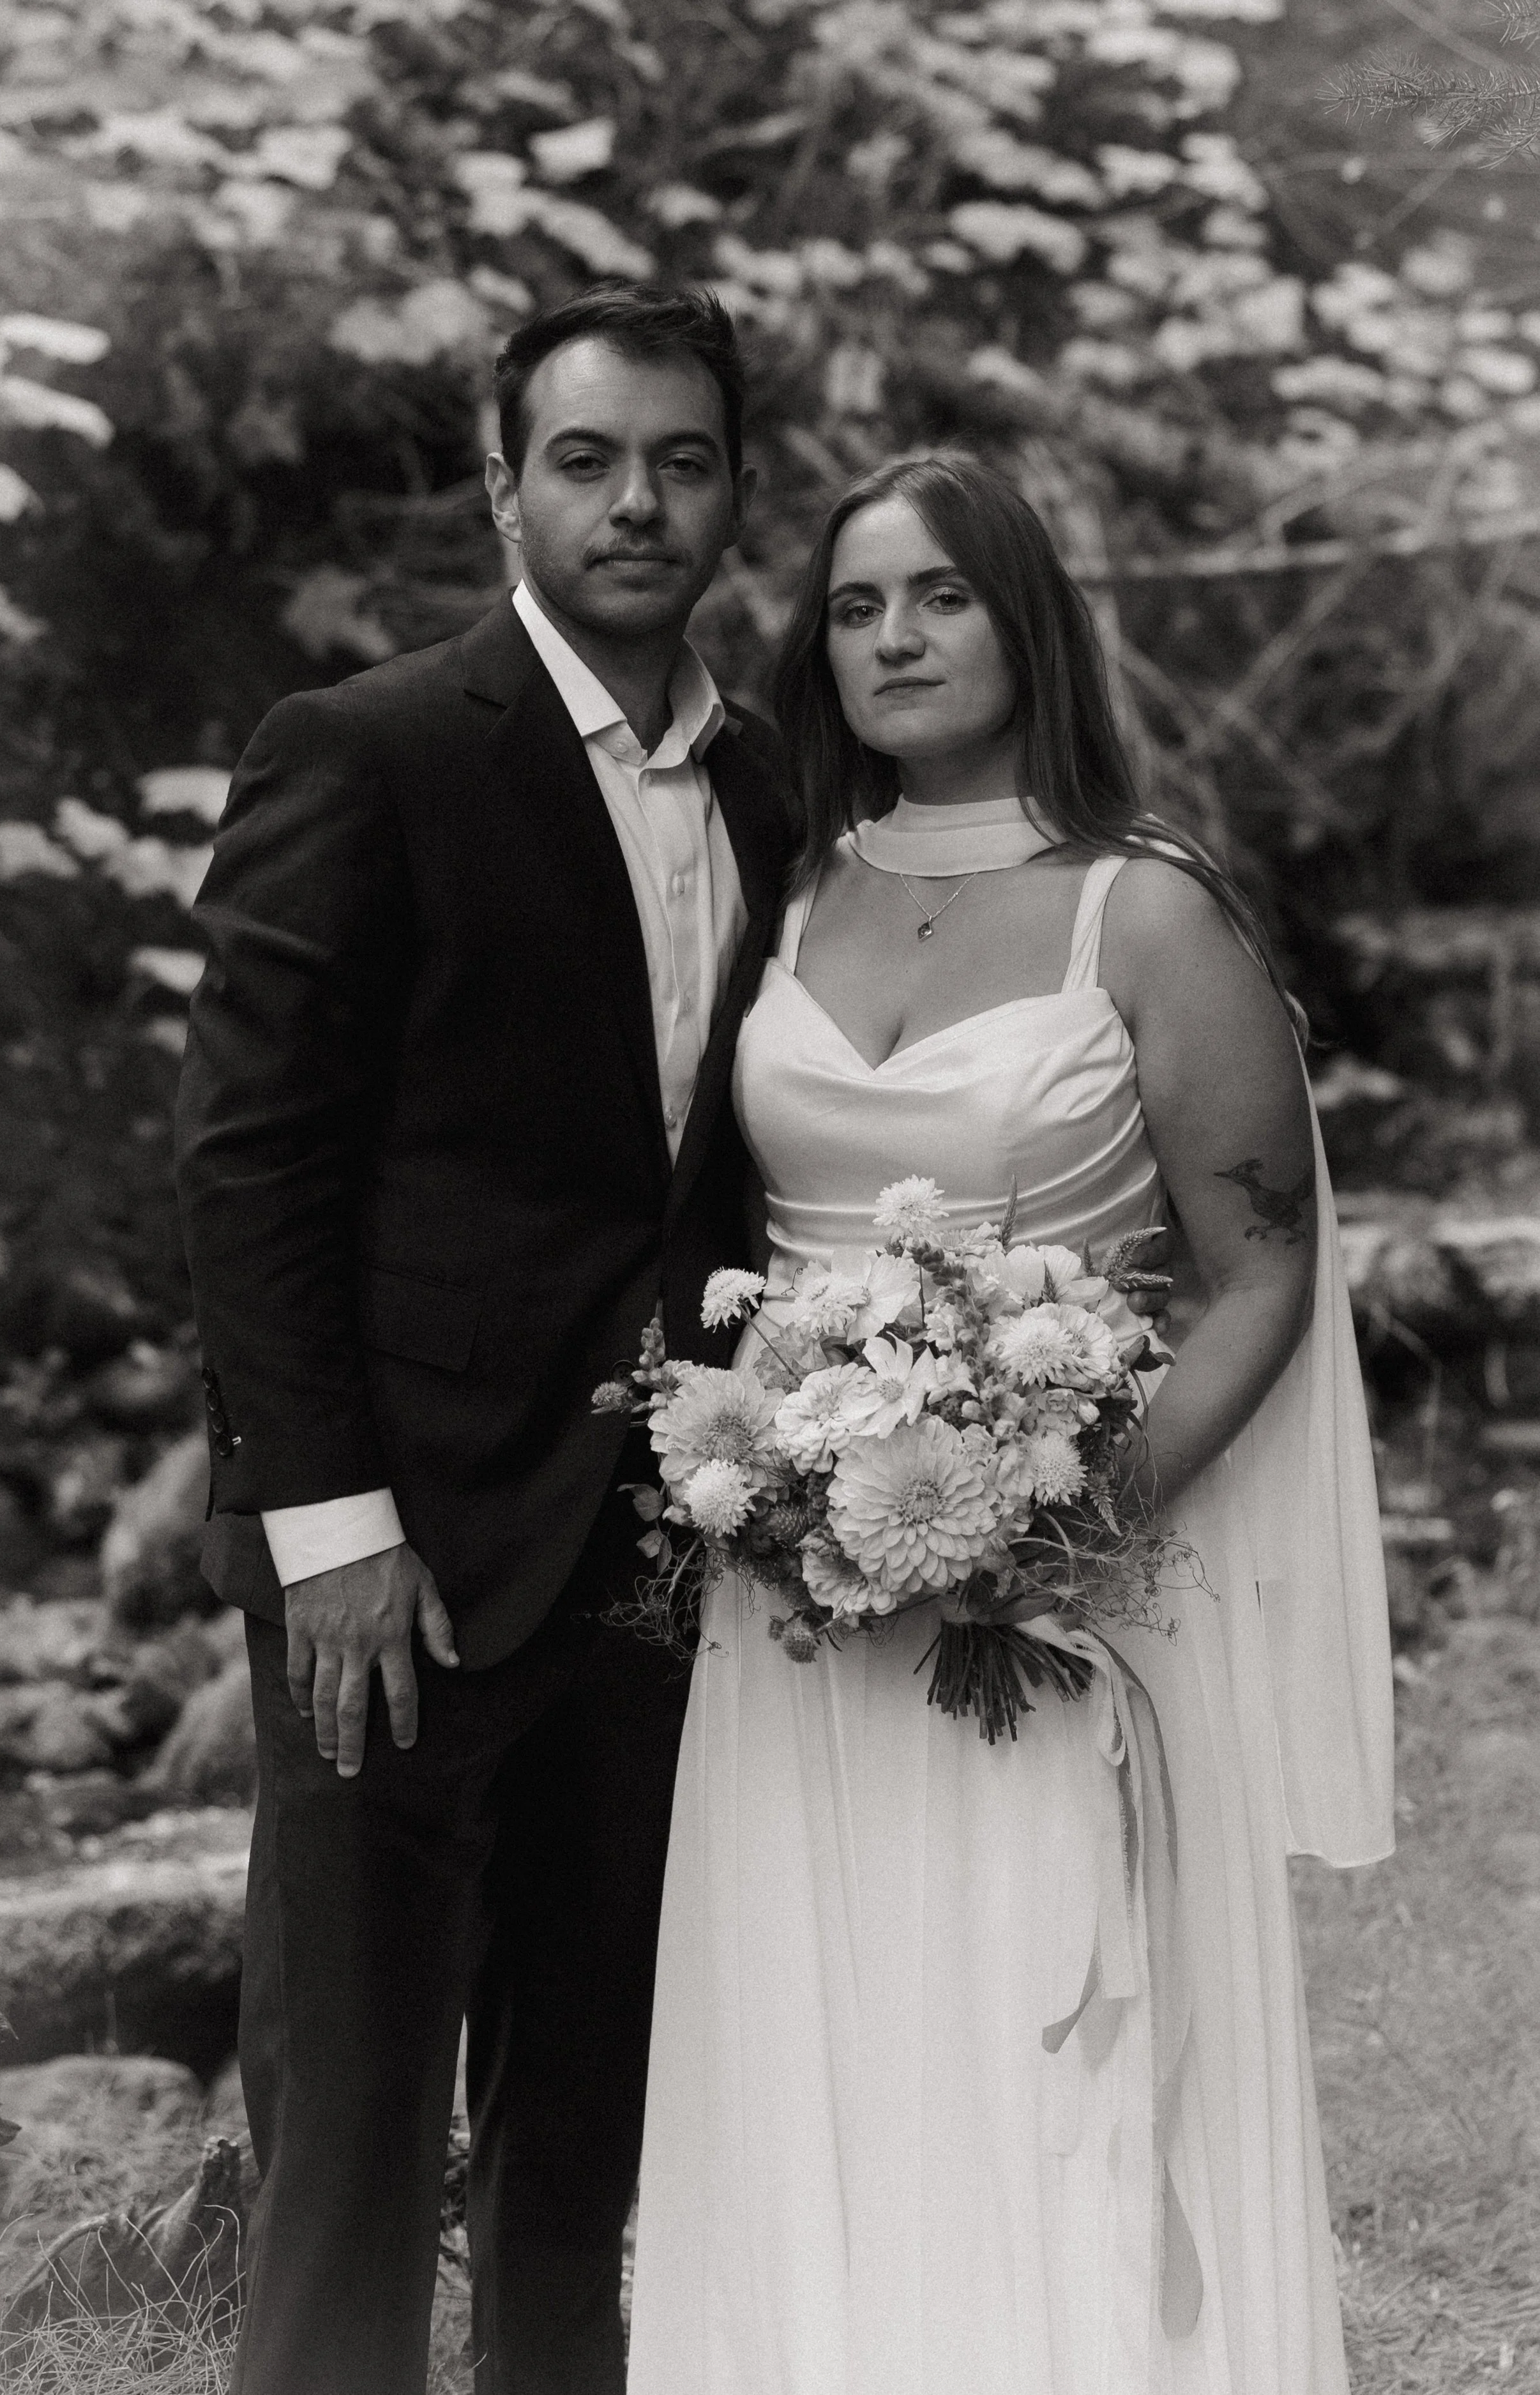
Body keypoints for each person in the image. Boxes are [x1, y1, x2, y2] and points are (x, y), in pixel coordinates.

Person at [627, 452, 1396, 2395]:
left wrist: (1065, 1512)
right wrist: (769, 1466)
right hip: (796, 1596)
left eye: (939, 596)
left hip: (1059, 1585)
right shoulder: (788, 884)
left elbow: (1260, 1269)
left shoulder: (1142, 911)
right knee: (824, 2028)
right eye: (859, 603)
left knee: (1035, 2026)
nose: (892, 636)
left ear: (1022, 617)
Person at [174, 284, 801, 2395]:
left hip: (655, 1554)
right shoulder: (362, 753)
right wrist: (326, 1530)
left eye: (683, 460)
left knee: (587, 2132)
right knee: (349, 2124)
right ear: (502, 484)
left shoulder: (773, 791)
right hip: (401, 1561)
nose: (638, 502)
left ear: (733, 489)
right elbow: (248, 1176)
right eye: (588, 457)